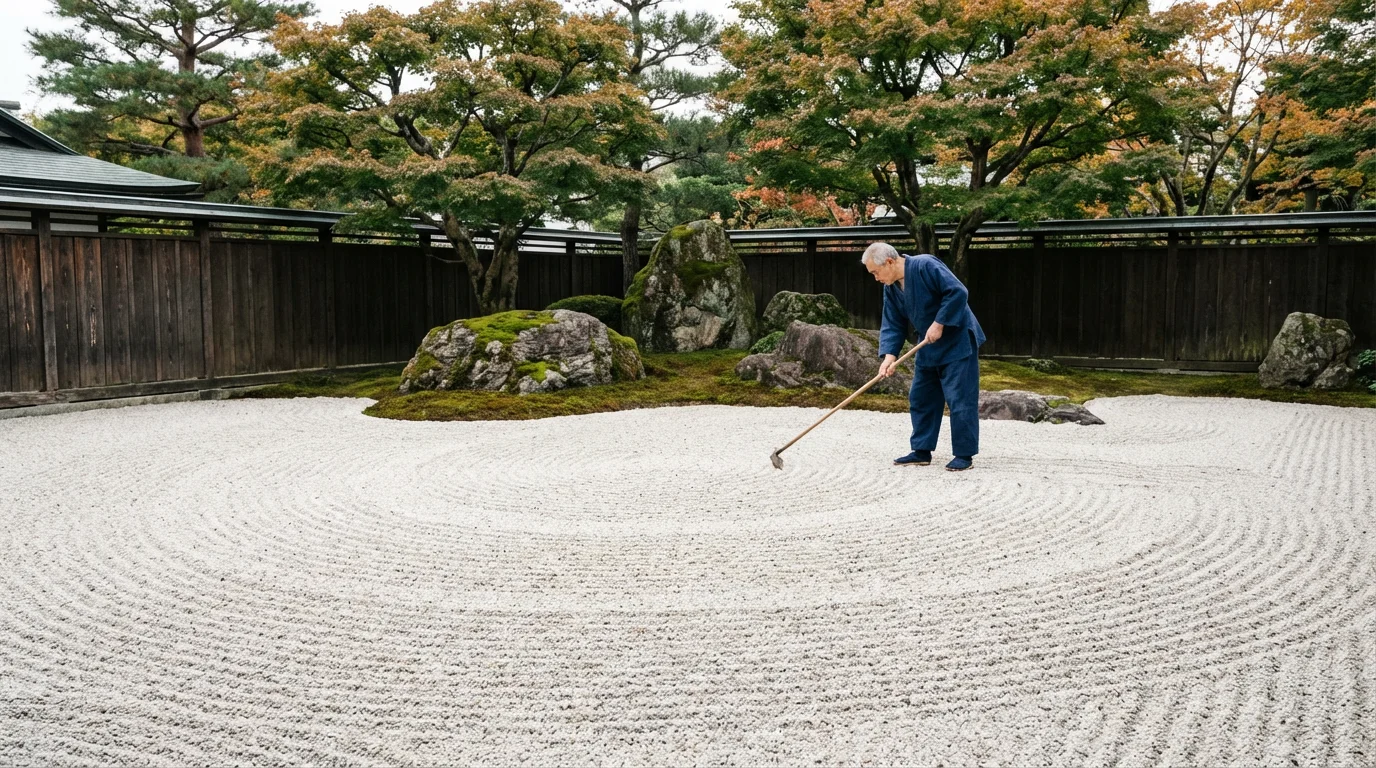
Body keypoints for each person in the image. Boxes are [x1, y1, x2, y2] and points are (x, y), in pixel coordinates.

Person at [862, 242, 986, 471]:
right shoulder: (890, 288)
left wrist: (939, 323)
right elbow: (893, 323)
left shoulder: (925, 265)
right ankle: (921, 450)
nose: (875, 278)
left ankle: (964, 454)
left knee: (960, 399)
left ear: (889, 262)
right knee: (921, 396)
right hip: (927, 344)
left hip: (957, 340)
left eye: (875, 272)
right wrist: (889, 357)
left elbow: (958, 291)